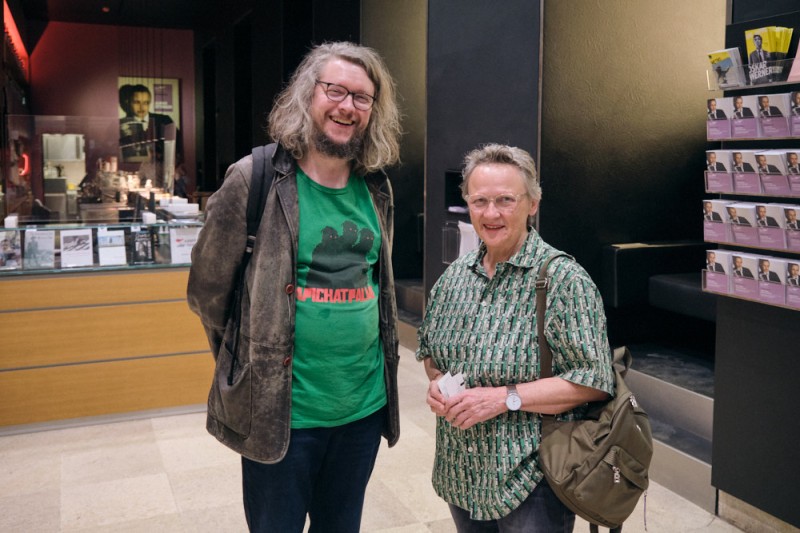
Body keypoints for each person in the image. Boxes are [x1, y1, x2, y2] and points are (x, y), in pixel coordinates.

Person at [187, 42, 402, 533]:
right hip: (280, 415)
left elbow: (380, 288)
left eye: (362, 98)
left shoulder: (376, 187)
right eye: (336, 90)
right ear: (308, 95)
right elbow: (207, 292)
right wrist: (248, 359)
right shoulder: (254, 178)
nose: (347, 106)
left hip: (362, 410)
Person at [416, 144, 614, 531]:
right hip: (462, 474)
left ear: (532, 203)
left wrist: (503, 398)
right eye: (480, 201)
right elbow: (432, 354)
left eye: (505, 200)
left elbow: (593, 379)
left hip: (531, 478)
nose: (491, 214)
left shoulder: (563, 281)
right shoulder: (455, 277)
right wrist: (437, 384)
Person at [119, 84, 176, 162]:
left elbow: (177, 148)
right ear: (129, 103)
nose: (142, 107)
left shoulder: (165, 121)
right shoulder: (119, 124)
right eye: (137, 102)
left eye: (145, 103)